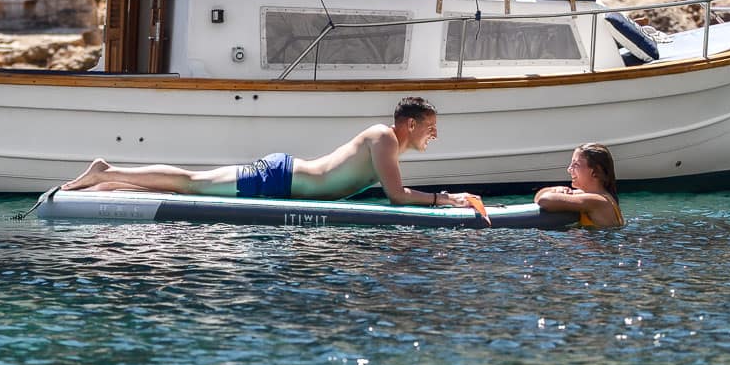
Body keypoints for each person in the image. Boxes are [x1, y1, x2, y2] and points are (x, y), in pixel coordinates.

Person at [61, 96, 480, 208]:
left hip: (284, 182)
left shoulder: (390, 143)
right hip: (279, 179)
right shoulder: (385, 137)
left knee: (190, 191)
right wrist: (448, 199)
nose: (433, 137)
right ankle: (106, 170)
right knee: (191, 183)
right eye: (431, 129)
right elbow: (397, 197)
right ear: (410, 124)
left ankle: (109, 186)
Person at [534, 142, 624, 228]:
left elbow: (544, 200)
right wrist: (557, 189)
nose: (569, 169)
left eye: (576, 164)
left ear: (595, 171)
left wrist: (554, 192)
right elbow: (538, 197)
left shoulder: (598, 201)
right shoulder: (592, 196)